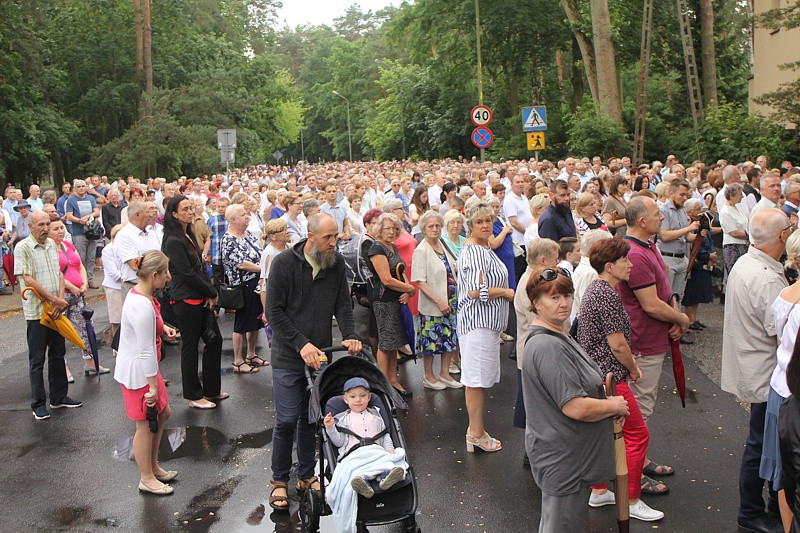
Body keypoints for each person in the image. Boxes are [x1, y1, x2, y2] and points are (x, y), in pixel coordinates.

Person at [264, 212, 362, 511]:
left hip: (320, 355)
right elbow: (274, 312)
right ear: (310, 236)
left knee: (311, 419)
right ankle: (279, 480)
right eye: (327, 237)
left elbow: (343, 305)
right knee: (286, 420)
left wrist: (350, 335)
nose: (334, 242)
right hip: (287, 355)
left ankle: (306, 475)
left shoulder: (335, 264)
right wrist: (300, 343)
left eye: (336, 236)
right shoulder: (283, 264)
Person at [522, 265, 630, 532]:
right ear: (536, 303)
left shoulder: (558, 332)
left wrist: (605, 406)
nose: (564, 303)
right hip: (565, 463)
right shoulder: (547, 346)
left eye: (567, 296)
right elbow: (574, 406)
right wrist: (612, 405)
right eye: (554, 297)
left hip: (571, 460)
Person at [578, 238, 665, 521]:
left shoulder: (600, 289)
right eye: (625, 261)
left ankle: (601, 490)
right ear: (610, 266)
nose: (630, 264)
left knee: (605, 435)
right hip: (609, 378)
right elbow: (617, 344)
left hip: (596, 375)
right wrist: (634, 367)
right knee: (637, 434)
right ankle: (632, 498)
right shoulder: (606, 294)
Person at [722, 208, 793, 533]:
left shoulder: (750, 262)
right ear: (782, 237)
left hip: (757, 368)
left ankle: (766, 507)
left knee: (763, 445)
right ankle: (751, 513)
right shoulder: (765, 277)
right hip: (766, 374)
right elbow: (779, 330)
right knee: (762, 446)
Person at [618, 196, 690, 486]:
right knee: (638, 409)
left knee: (643, 406)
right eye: (657, 213)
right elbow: (650, 304)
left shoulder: (649, 245)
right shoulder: (635, 253)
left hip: (653, 337)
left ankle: (640, 460)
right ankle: (629, 475)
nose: (663, 217)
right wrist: (683, 320)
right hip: (642, 341)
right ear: (642, 221)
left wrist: (673, 312)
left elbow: (664, 290)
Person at [114, 250, 177, 495]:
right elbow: (145, 350)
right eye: (165, 273)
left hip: (145, 370)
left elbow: (152, 327)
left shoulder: (142, 295)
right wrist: (152, 386)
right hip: (138, 373)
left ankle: (153, 467)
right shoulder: (141, 305)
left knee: (163, 414)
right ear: (154, 275)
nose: (168, 278)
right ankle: (146, 477)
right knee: (145, 424)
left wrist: (164, 329)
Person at [457, 200, 513, 453]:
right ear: (470, 225)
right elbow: (474, 291)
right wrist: (506, 292)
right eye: (479, 222)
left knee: (479, 380)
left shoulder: (484, 247)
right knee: (476, 381)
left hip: (486, 324)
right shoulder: (474, 251)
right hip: (477, 324)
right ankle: (475, 434)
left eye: (488, 220)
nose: (485, 225)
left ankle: (476, 430)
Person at [161, 195, 225, 409]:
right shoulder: (172, 240)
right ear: (174, 214)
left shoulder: (187, 234)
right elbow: (187, 273)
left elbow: (198, 266)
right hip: (186, 299)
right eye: (185, 209)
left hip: (199, 296)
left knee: (214, 341)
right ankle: (193, 395)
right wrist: (210, 290)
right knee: (190, 347)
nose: (190, 212)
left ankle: (211, 390)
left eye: (191, 208)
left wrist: (208, 292)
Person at [16, 211, 80, 420]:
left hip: (56, 309)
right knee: (37, 359)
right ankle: (38, 403)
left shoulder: (52, 245)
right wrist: (54, 300)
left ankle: (59, 396)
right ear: (31, 226)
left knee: (57, 353)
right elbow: (28, 280)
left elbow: (59, 272)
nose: (45, 228)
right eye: (41, 224)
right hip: (37, 312)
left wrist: (60, 300)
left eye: (47, 224)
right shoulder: (23, 247)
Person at [763, 230, 800, 532]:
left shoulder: (784, 296)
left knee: (785, 471)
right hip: (791, 392)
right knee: (786, 472)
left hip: (782, 386)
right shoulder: (792, 300)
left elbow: (779, 343)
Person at [323, 377, 407, 498]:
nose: (358, 400)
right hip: (355, 454)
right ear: (345, 399)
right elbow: (339, 442)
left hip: (377, 452)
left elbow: (384, 434)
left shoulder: (376, 416)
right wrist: (331, 428)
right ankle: (362, 483)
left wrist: (389, 449)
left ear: (369, 398)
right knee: (357, 469)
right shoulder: (343, 420)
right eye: (353, 397)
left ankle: (386, 477)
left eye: (362, 396)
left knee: (386, 462)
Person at [50, 218, 108, 380]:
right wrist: (73, 287)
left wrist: (83, 284)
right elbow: (56, 272)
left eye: (62, 227)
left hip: (78, 295)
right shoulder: (48, 250)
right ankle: (63, 367)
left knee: (86, 328)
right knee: (62, 332)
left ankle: (90, 360)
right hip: (63, 295)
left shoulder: (68, 245)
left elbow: (80, 266)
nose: (60, 231)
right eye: (56, 229)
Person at [411, 211, 462, 390]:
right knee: (430, 341)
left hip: (452, 300)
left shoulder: (443, 243)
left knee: (450, 337)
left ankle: (444, 373)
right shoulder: (421, 250)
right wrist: (440, 302)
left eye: (438, 225)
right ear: (424, 228)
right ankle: (429, 376)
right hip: (434, 304)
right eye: (431, 226)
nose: (435, 229)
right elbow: (420, 281)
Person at [368, 213, 416, 397]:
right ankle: (385, 383)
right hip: (383, 300)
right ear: (379, 229)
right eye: (387, 228)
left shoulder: (392, 246)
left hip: (395, 299)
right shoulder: (376, 248)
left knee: (394, 342)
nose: (391, 231)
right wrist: (409, 289)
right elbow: (386, 279)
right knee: (386, 343)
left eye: (395, 228)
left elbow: (399, 271)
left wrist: (405, 289)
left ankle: (393, 380)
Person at [221, 203, 264, 374]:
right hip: (243, 286)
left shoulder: (250, 235)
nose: (247, 217)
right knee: (241, 323)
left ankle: (251, 354)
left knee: (255, 320)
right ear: (232, 219)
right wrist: (262, 269)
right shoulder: (228, 239)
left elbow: (260, 252)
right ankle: (238, 361)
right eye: (243, 215)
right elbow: (240, 263)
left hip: (256, 283)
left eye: (247, 214)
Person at [658, 179, 699, 320]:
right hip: (668, 257)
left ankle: (678, 327)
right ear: (671, 193)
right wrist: (688, 228)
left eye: (686, 195)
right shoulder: (663, 210)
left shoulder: (682, 211)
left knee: (678, 296)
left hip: (682, 257)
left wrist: (699, 234)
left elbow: (687, 237)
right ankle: (666, 329)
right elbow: (664, 235)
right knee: (667, 297)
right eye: (681, 194)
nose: (684, 198)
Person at [114, 201, 161, 300]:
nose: (151, 214)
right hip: (136, 287)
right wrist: (161, 267)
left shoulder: (151, 233)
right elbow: (135, 264)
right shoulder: (124, 235)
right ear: (137, 214)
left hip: (156, 287)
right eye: (148, 212)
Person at [682, 198, 716, 331]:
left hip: (705, 260)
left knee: (699, 293)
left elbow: (707, 237)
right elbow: (695, 243)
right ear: (689, 211)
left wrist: (711, 253)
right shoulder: (690, 223)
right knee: (691, 293)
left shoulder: (702, 221)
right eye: (697, 209)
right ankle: (689, 318)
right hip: (696, 261)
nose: (700, 211)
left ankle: (694, 317)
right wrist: (707, 256)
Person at [65, 179, 100, 289]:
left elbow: (97, 211)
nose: (81, 188)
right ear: (75, 189)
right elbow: (69, 216)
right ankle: (81, 280)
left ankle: (90, 279)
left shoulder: (90, 198)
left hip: (92, 232)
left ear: (86, 187)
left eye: (83, 186)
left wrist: (88, 217)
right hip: (79, 232)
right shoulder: (71, 200)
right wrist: (81, 221)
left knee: (91, 257)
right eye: (78, 186)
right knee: (81, 257)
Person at [719, 182, 749, 297]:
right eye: (740, 194)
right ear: (731, 196)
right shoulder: (725, 211)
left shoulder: (737, 207)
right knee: (732, 272)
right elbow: (733, 232)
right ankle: (729, 296)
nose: (742, 196)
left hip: (742, 245)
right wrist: (749, 234)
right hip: (732, 246)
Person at [259, 218, 290, 323]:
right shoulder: (270, 253)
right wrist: (266, 311)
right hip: (277, 300)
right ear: (272, 236)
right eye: (282, 230)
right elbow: (264, 283)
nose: (287, 231)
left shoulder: (288, 248)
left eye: (286, 228)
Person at [102, 224, 124, 341]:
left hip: (126, 286)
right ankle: (117, 345)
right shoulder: (108, 250)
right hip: (114, 288)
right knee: (117, 319)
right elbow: (113, 273)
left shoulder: (125, 247)